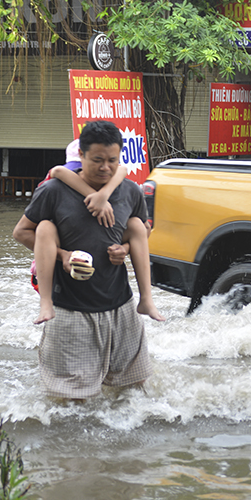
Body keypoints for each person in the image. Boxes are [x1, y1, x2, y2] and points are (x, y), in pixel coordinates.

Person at [13, 120, 160, 400]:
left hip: (121, 307)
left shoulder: (129, 190)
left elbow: (143, 230)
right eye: (97, 160)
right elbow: (21, 232)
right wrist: (63, 256)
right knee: (69, 401)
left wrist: (125, 249)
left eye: (112, 161)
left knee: (133, 393)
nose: (105, 167)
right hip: (69, 311)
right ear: (80, 155)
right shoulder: (54, 191)